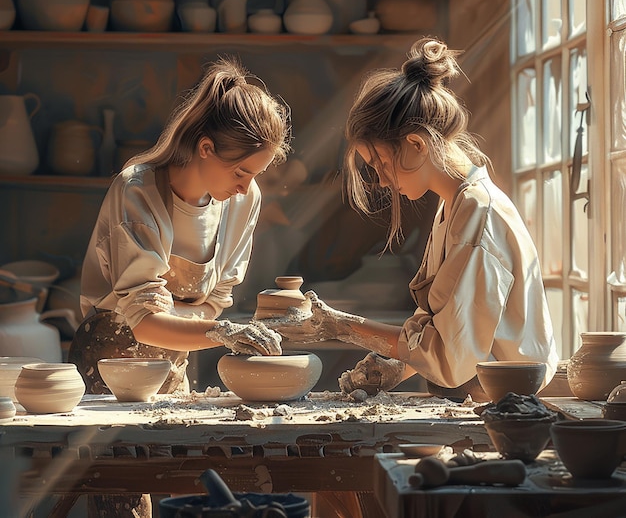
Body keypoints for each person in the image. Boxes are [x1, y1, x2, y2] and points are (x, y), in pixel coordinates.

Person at [262, 36, 559, 402]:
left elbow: (451, 357)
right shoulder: (453, 205)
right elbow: (442, 329)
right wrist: (397, 365)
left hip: (508, 406)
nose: (383, 181)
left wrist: (344, 326)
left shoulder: (478, 215)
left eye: (380, 165)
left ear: (416, 145)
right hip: (480, 396)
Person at [68, 56, 290, 517]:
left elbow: (218, 298)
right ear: (206, 147)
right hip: (111, 359)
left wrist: (213, 328)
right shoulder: (139, 190)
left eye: (255, 174)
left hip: (177, 354)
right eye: (240, 172)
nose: (246, 185)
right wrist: (220, 333)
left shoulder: (243, 200)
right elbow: (145, 322)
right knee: (125, 503)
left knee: (177, 495)